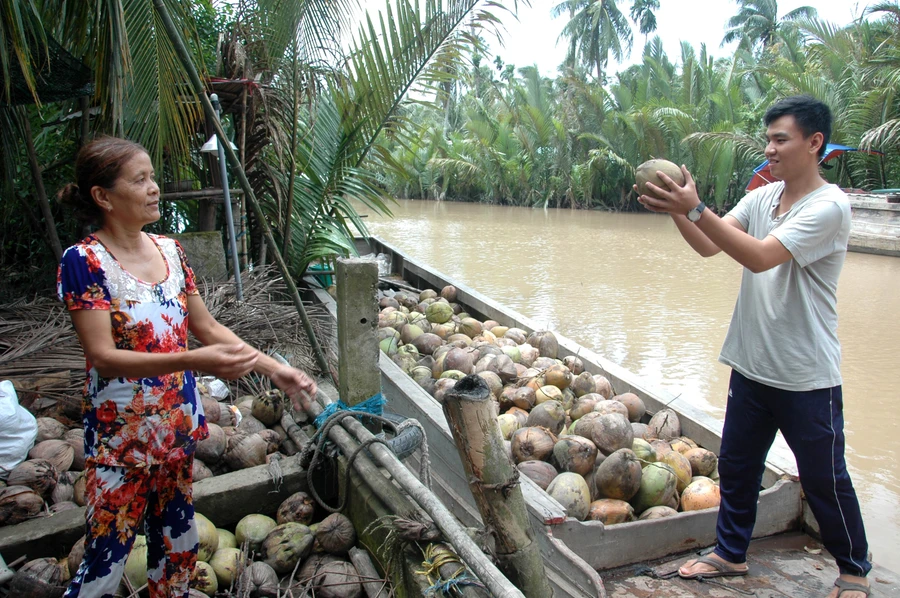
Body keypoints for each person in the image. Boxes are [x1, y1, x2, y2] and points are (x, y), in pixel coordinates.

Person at [57, 136, 318, 598]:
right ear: (103, 196)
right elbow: (103, 357)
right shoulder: (85, 262)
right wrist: (193, 359)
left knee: (178, 554)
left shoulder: (171, 251)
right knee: (104, 562)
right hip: (122, 441)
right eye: (140, 180)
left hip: (176, 430)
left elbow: (208, 327)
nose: (154, 187)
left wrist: (271, 368)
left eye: (152, 176)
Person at [635, 95, 871, 598]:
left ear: (814, 143)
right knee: (738, 468)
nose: (769, 148)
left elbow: (763, 257)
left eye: (780, 139)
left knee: (826, 478)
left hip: (806, 373)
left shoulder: (829, 205)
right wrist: (680, 210)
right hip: (752, 363)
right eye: (767, 139)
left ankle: (853, 571)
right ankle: (729, 555)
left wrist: (695, 206)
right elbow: (708, 244)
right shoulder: (765, 196)